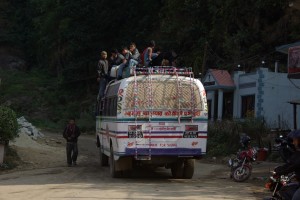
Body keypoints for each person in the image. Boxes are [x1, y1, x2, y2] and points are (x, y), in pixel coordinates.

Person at [274, 129, 300, 200]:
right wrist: (278, 169)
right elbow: (290, 164)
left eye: (295, 140)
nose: (293, 142)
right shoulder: (297, 153)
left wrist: (279, 172)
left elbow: (293, 165)